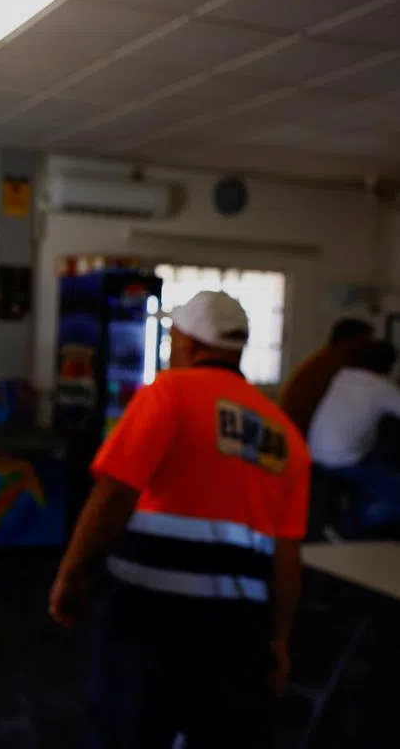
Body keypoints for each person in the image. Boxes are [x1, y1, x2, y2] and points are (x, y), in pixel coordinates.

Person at [49, 291, 310, 748]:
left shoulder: (169, 393)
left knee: (127, 732)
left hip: (150, 615)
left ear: (188, 343)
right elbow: (287, 556)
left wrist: (72, 575)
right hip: (238, 626)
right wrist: (279, 640)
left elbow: (114, 494)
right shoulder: (283, 432)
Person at [309, 340, 400, 529]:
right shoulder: (382, 387)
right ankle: (353, 525)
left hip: (315, 453)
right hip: (344, 460)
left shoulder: (342, 376)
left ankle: (348, 514)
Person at [279, 318, 373, 436]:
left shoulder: (327, 356)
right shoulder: (337, 364)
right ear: (348, 341)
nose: (367, 347)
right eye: (364, 341)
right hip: (298, 432)